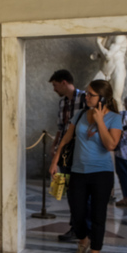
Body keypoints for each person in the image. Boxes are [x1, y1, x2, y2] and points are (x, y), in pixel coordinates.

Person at [50, 80, 122, 253]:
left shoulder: (115, 118)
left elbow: (110, 145)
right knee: (78, 213)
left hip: (101, 173)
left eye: (91, 95)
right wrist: (55, 159)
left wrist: (100, 121)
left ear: (103, 98)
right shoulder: (80, 114)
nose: (87, 97)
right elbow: (66, 138)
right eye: (87, 94)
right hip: (78, 172)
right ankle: (83, 241)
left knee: (99, 216)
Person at [49, 69, 87, 242]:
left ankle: (84, 229)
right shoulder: (62, 103)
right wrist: (55, 146)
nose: (54, 89)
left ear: (64, 83)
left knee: (82, 192)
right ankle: (75, 227)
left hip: (82, 151)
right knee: (71, 192)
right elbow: (60, 127)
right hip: (66, 152)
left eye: (55, 85)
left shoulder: (86, 98)